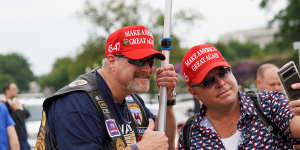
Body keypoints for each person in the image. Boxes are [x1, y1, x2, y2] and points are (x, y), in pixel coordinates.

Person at [35, 25, 177, 150]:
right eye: (139, 61)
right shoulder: (76, 103)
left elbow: (165, 144)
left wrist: (167, 101)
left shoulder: (133, 101)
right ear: (112, 61)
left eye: (151, 62)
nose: (147, 70)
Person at [178, 44, 300, 149]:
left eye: (223, 72)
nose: (220, 83)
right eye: (208, 81)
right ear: (194, 93)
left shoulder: (268, 102)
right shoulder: (190, 133)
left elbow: (296, 126)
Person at [2, 82, 30, 150]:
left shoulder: (17, 103)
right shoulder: (3, 107)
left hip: (24, 143)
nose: (17, 91)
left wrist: (17, 108)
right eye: (14, 89)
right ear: (7, 91)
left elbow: (27, 114)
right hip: (12, 144)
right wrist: (10, 105)